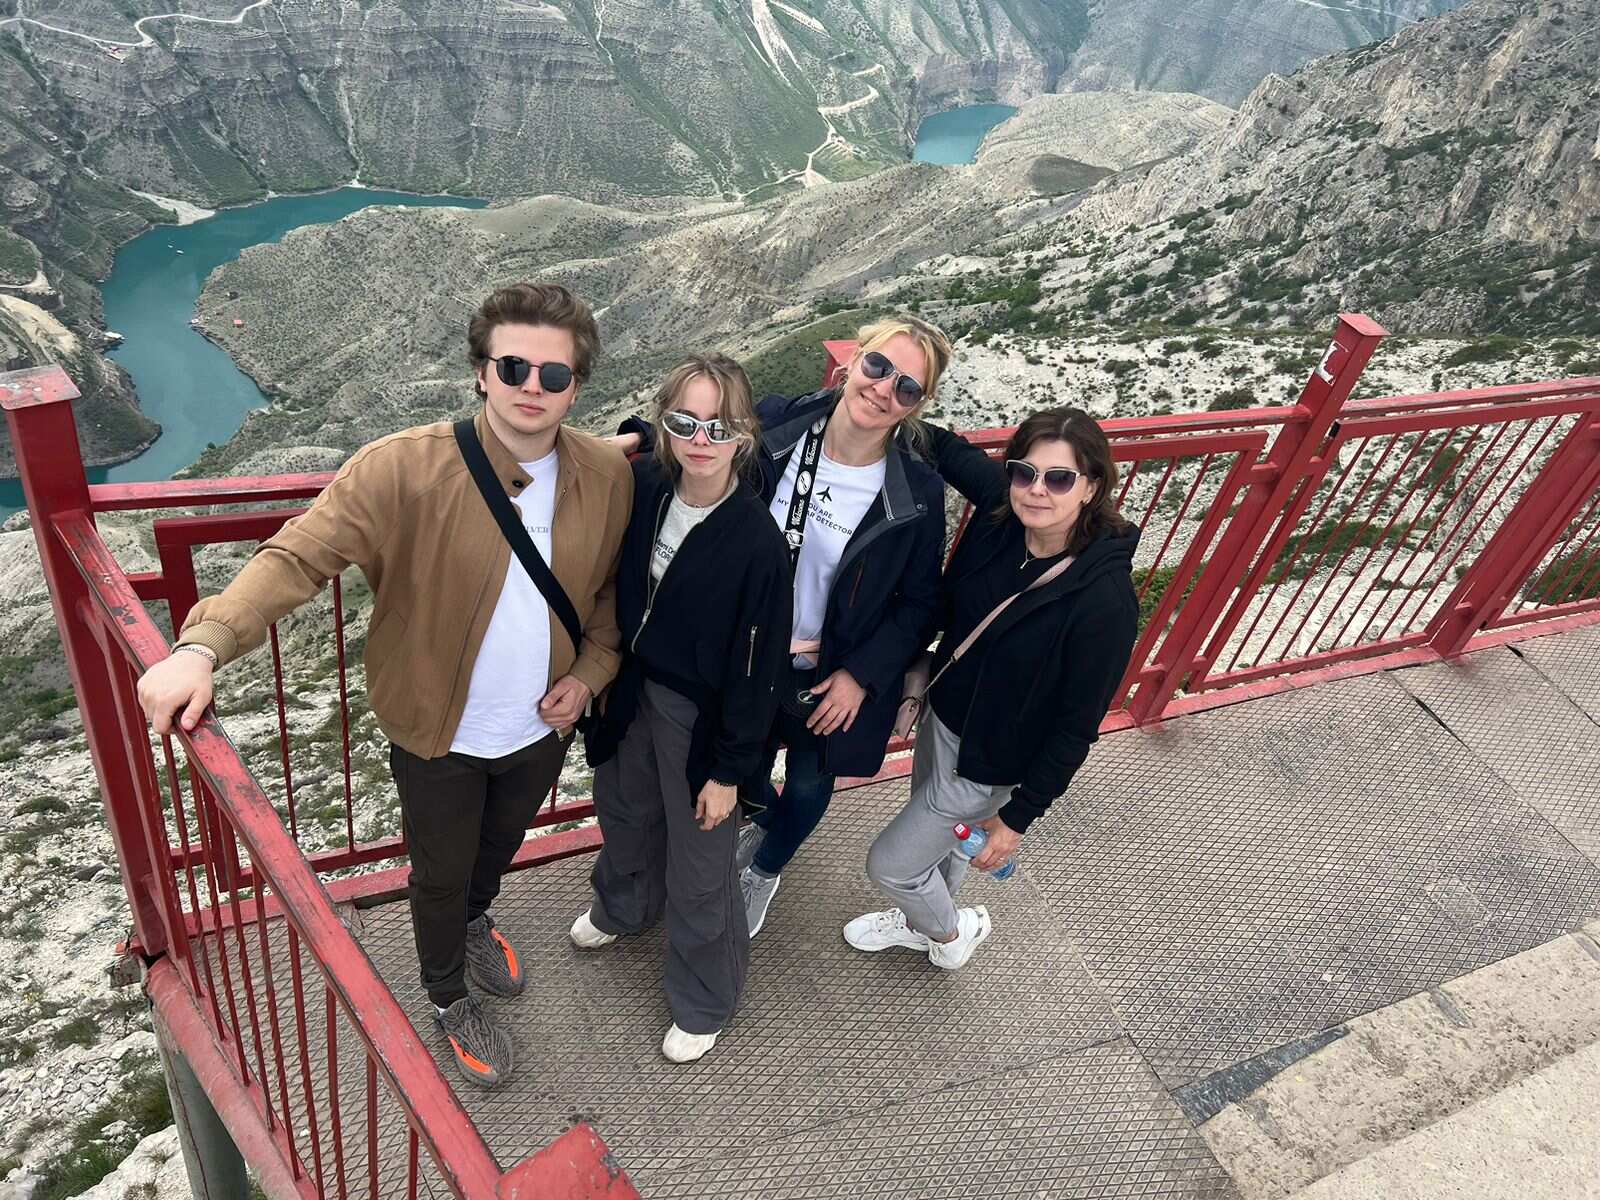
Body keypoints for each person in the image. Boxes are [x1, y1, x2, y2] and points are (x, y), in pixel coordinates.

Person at [134, 283, 632, 1089]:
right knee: (439, 870)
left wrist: (589, 673)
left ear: (577, 386)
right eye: (513, 367)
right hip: (436, 728)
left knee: (496, 848)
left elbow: (609, 593)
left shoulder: (604, 473)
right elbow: (297, 556)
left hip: (542, 726)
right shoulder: (403, 468)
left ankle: (475, 919)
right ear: (481, 372)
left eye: (554, 374)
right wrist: (203, 646)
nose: (531, 388)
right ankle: (447, 996)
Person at [613, 316, 947, 939]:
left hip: (823, 671)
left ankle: (764, 869)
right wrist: (631, 438)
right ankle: (735, 835)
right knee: (739, 762)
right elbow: (706, 435)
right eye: (878, 367)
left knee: (810, 780)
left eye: (906, 387)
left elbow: (920, 603)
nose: (883, 389)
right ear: (853, 361)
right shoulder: (780, 425)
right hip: (741, 654)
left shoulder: (916, 492)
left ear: (917, 404)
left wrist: (861, 675)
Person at [844, 406, 1139, 969]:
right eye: (1024, 472)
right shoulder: (1006, 515)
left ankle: (950, 933)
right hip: (943, 716)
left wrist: (1018, 818)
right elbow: (948, 449)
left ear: (1091, 486)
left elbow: (1077, 727)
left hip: (987, 765)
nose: (1037, 490)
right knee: (947, 839)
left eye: (1059, 478)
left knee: (892, 865)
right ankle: (927, 918)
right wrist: (869, 407)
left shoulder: (1103, 602)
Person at [572, 355, 791, 1063]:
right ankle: (624, 907)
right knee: (624, 809)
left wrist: (729, 771)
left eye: (719, 427)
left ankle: (705, 998)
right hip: (631, 686)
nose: (702, 439)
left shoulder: (756, 542)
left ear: (744, 434)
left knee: (701, 863)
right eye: (684, 422)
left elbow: (757, 674)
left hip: (703, 716)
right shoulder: (646, 486)